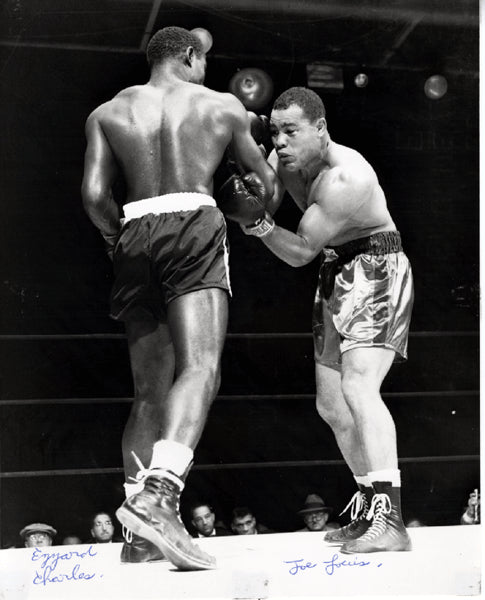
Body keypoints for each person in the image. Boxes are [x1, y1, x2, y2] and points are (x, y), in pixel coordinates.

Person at [81, 26, 274, 571]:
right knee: (202, 367)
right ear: (189, 56)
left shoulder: (108, 112)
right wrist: (246, 202)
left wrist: (119, 243)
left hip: (134, 231)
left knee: (148, 392)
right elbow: (269, 193)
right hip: (193, 221)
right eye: (203, 60)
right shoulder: (221, 105)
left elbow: (96, 197)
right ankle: (161, 496)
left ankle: (138, 535)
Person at [224, 87, 414, 554]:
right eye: (275, 132)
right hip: (336, 272)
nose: (281, 142)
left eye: (291, 131)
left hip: (376, 266)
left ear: (321, 128)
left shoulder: (346, 177)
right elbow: (261, 200)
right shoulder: (280, 157)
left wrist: (257, 225)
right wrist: (244, 168)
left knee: (358, 387)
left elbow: (299, 250)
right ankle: (371, 504)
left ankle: (392, 519)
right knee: (331, 406)